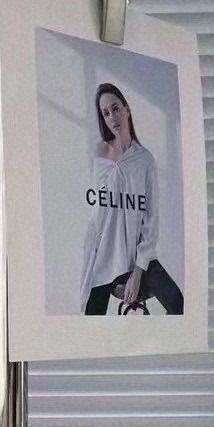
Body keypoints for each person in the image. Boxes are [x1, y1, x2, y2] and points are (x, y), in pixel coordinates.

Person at [79, 82, 184, 315]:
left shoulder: (145, 160)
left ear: (127, 109)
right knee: (91, 323)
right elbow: (96, 214)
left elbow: (151, 221)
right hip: (103, 257)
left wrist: (137, 272)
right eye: (106, 113)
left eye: (115, 108)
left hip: (136, 257)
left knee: (177, 302)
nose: (112, 117)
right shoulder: (98, 153)